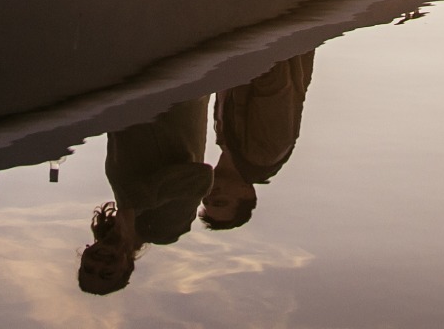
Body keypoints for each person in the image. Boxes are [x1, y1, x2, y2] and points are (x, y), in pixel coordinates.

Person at [76, 98, 211, 294]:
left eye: (89, 269)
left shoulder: (121, 214)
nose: (99, 265)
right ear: (126, 267)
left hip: (138, 95)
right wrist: (134, 204)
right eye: (107, 273)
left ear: (83, 257)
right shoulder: (164, 230)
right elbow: (201, 178)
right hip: (176, 96)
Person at [201, 52, 315, 231]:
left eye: (206, 200)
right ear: (247, 192)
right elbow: (274, 84)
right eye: (220, 201)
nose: (210, 195)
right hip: (264, 41)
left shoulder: (227, 145)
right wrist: (249, 47)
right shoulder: (265, 153)